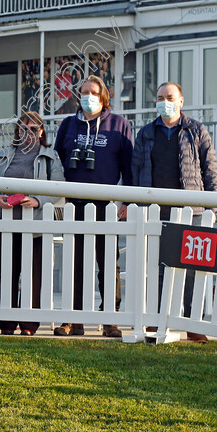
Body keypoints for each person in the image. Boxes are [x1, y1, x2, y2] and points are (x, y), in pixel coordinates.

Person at [131, 81, 217, 342]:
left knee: (191, 270)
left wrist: (213, 207)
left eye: (169, 97)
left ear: (181, 101)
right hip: (155, 212)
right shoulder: (146, 133)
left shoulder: (197, 131)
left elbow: (210, 170)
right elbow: (136, 171)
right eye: (159, 97)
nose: (164, 102)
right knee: (157, 269)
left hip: (190, 211)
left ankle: (193, 325)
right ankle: (158, 322)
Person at [53, 75, 133, 338]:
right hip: (74, 204)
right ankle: (72, 320)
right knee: (75, 263)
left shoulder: (118, 125)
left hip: (106, 205)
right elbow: (59, 162)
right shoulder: (68, 125)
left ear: (104, 97)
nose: (88, 97)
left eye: (93, 93)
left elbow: (128, 166)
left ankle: (109, 319)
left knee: (108, 262)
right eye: (84, 92)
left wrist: (126, 200)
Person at [0, 111, 65, 335]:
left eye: (33, 129)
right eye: (23, 128)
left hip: (36, 229)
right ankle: (7, 324)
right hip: (6, 228)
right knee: (7, 275)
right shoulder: (4, 154)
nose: (28, 133)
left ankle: (29, 325)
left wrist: (38, 200)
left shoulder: (50, 156)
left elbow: (59, 188)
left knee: (32, 278)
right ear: (17, 131)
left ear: (41, 132)